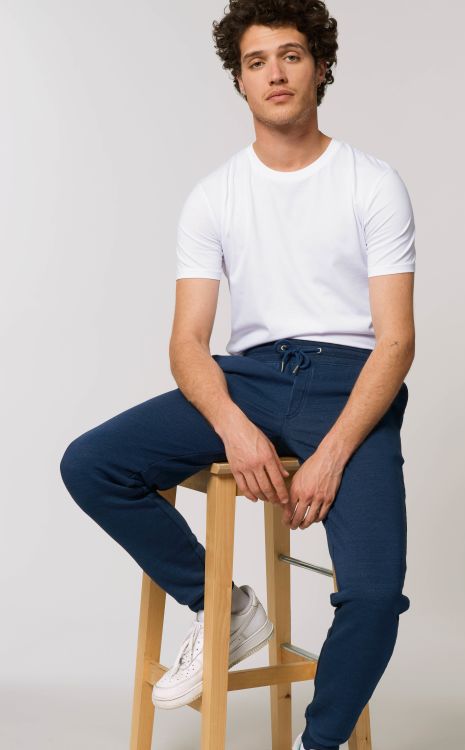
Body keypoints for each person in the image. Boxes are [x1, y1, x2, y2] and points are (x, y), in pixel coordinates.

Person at [59, 2, 416, 749]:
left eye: (291, 55)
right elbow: (188, 343)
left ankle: (317, 745)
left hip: (349, 385)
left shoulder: (372, 183)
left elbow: (395, 342)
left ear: (319, 66)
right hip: (249, 378)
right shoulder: (213, 195)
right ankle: (222, 609)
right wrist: (234, 428)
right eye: (257, 62)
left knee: (377, 594)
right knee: (92, 463)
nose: (275, 74)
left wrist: (331, 455)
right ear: (240, 80)